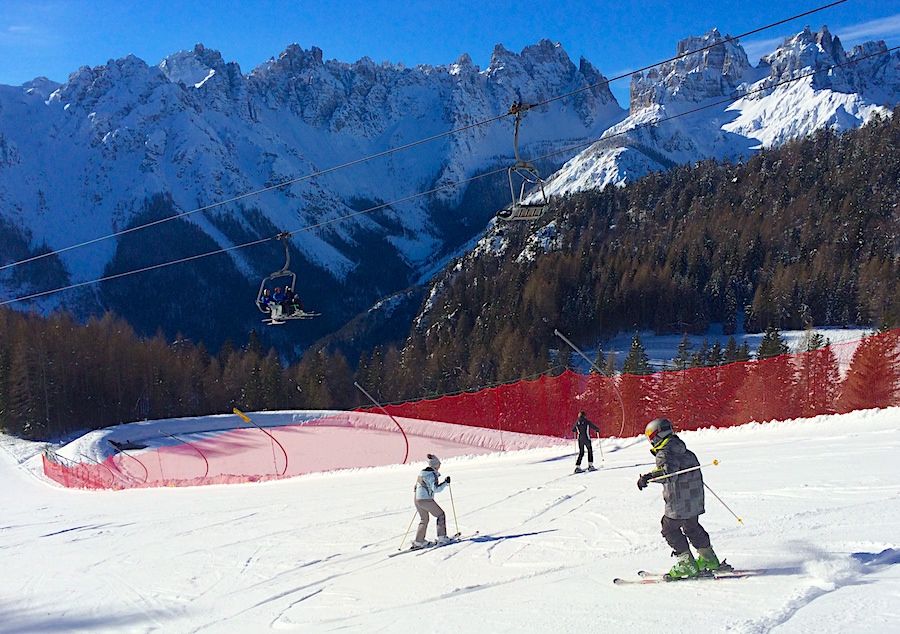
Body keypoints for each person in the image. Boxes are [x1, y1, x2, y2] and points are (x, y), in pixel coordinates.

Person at [637, 417, 725, 579]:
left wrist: (648, 477)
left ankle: (686, 564)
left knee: (668, 528)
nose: (651, 441)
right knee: (692, 527)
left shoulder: (665, 453)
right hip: (695, 499)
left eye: (651, 436)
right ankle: (709, 559)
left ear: (658, 435)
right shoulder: (685, 450)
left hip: (679, 502)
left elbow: (668, 473)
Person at [412, 453, 452, 549]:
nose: (439, 466)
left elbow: (416, 487)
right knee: (440, 514)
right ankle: (442, 537)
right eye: (439, 465)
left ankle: (419, 541)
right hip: (425, 499)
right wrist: (445, 483)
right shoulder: (431, 475)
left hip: (417, 499)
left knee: (424, 519)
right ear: (435, 465)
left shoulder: (422, 473)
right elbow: (436, 489)